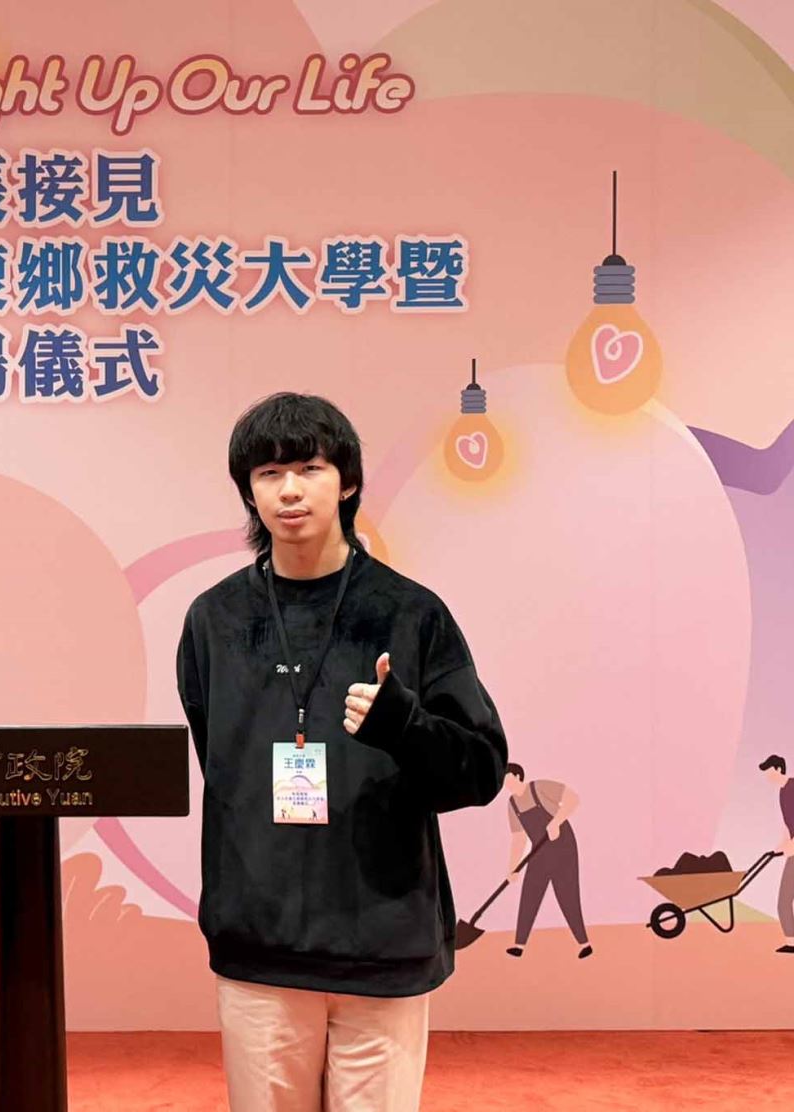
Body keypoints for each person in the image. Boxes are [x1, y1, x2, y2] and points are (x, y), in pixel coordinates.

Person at [176, 393, 508, 1112]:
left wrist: (405, 726)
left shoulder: (410, 613)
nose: (289, 490)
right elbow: (221, 763)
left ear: (348, 481)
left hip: (383, 944)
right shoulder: (214, 621)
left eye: (309, 468)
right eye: (269, 474)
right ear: (249, 492)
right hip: (259, 942)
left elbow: (482, 770)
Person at [501, 764, 592, 959]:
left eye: (507, 779)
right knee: (530, 894)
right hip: (539, 850)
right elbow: (518, 838)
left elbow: (572, 799)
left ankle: (584, 943)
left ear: (517, 776)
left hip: (563, 846)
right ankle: (519, 945)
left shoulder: (539, 788)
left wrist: (556, 822)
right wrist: (513, 868)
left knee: (567, 894)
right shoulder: (512, 804)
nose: (505, 784)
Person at [760, 755, 794, 954]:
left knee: (784, 900)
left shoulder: (792, 789)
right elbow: (788, 826)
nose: (767, 776)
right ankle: (791, 942)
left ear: (778, 769)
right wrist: (780, 847)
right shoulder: (782, 792)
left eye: (769, 772)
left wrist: (791, 846)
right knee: (784, 900)